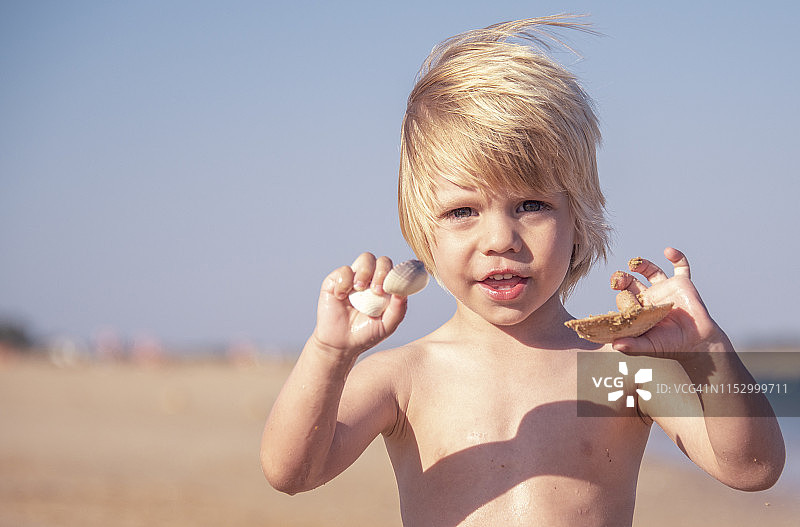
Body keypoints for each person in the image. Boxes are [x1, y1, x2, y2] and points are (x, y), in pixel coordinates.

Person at [260, 15, 784, 526]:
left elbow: (751, 469)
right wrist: (330, 354)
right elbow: (293, 472)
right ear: (424, 233)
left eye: (531, 206)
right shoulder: (408, 377)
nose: (500, 240)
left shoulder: (611, 372)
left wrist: (708, 354)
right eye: (463, 212)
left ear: (578, 219)